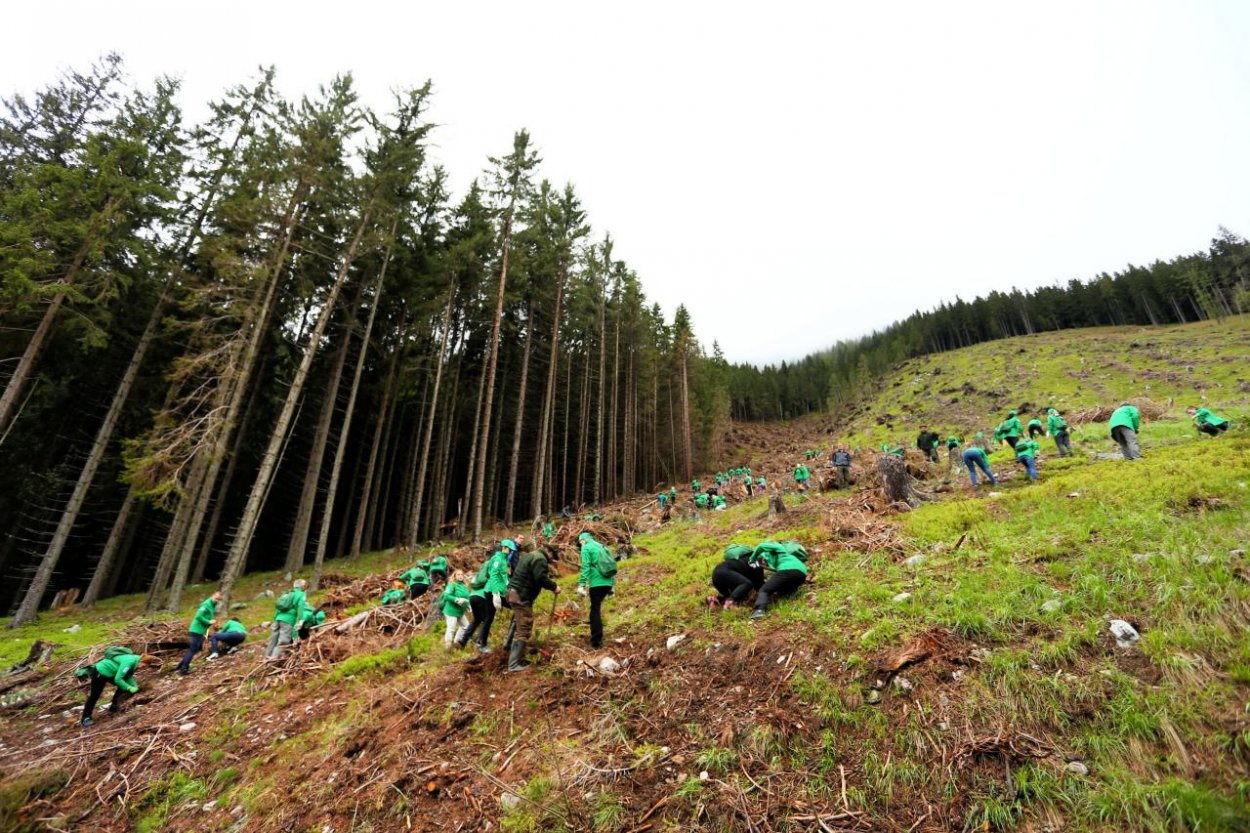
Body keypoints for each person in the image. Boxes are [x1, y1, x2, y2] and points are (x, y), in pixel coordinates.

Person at [504, 546, 559, 672]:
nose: (551, 560)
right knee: (524, 626)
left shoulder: (531, 555)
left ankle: (507, 647)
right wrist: (554, 587)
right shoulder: (540, 559)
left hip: (513, 592)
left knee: (517, 621)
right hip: (520, 595)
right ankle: (513, 664)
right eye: (552, 557)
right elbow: (540, 578)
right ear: (549, 552)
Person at [75, 647, 153, 727]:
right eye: (144, 665)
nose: (143, 667)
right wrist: (130, 688)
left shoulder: (135, 662)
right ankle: (85, 718)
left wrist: (135, 686)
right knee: (95, 695)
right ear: (141, 661)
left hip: (112, 672)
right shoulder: (130, 661)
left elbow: (128, 676)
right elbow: (118, 679)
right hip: (101, 671)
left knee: (123, 687)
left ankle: (114, 706)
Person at [458, 544, 509, 653]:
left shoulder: (483, 565)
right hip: (482, 596)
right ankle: (480, 643)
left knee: (476, 619)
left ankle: (463, 640)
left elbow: (478, 580)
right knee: (487, 618)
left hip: (473, 595)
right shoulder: (493, 563)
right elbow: (492, 579)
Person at [577, 531, 617, 649]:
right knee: (597, 608)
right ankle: (598, 637)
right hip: (607, 583)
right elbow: (610, 564)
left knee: (594, 610)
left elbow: (586, 567)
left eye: (581, 542)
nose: (581, 545)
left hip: (596, 583)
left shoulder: (586, 548)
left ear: (583, 540)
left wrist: (581, 584)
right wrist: (612, 586)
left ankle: (596, 642)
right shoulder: (601, 546)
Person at [750, 541, 808, 619]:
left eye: (763, 560)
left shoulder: (780, 549)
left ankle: (759, 611)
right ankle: (790, 596)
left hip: (788, 570)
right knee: (781, 589)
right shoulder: (786, 558)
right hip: (802, 574)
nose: (764, 562)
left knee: (764, 590)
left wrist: (752, 559)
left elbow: (761, 546)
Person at [708, 544, 765, 610]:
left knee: (738, 594)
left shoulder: (737, 561)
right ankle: (730, 602)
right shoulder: (755, 561)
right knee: (746, 584)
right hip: (725, 572)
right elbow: (759, 585)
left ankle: (715, 600)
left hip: (716, 575)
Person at [176, 591, 221, 675]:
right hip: (196, 630)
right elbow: (198, 616)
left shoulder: (212, 606)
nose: (217, 601)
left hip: (200, 631)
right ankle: (183, 669)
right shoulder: (206, 604)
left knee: (196, 649)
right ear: (213, 595)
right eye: (216, 598)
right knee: (193, 649)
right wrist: (209, 622)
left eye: (219, 600)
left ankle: (181, 665)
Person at [265, 579, 307, 660]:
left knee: (273, 640)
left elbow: (278, 607)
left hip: (278, 618)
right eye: (304, 586)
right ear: (302, 586)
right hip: (288, 620)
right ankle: (272, 661)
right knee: (283, 641)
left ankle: (266, 658)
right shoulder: (301, 594)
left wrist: (275, 619)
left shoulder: (287, 593)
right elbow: (301, 607)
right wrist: (300, 621)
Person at [440, 570, 471, 650]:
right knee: (451, 628)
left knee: (466, 626)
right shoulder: (452, 585)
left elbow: (466, 597)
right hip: (451, 611)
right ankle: (448, 647)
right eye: (458, 574)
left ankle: (457, 642)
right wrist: (456, 599)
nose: (460, 576)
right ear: (455, 576)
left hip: (460, 611)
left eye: (462, 574)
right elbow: (446, 596)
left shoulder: (464, 586)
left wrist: (468, 605)